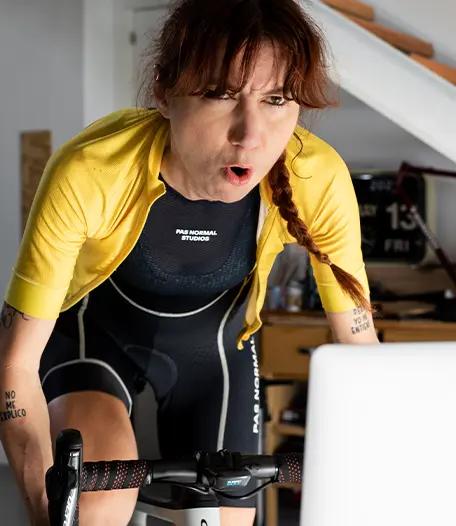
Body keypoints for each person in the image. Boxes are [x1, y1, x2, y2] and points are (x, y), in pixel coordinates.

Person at [0, 0, 379, 524]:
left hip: (215, 357)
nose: (249, 134)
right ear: (163, 91)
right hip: (93, 342)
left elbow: (360, 351)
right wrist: (47, 502)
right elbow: (15, 364)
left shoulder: (316, 176)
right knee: (95, 505)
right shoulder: (90, 170)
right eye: (219, 95)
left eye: (276, 99)